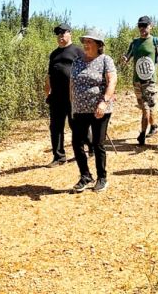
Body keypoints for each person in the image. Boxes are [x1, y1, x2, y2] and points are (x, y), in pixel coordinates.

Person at [70, 28, 117, 192]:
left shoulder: (105, 60)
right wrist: (72, 104)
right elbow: (72, 83)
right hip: (79, 110)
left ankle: (102, 177)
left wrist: (104, 102)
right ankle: (85, 176)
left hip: (100, 109)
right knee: (77, 143)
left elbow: (112, 81)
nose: (85, 44)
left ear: (99, 45)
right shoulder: (77, 61)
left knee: (97, 143)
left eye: (89, 41)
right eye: (84, 41)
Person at [44, 23, 92, 168]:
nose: (60, 36)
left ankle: (91, 147)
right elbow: (49, 75)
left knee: (77, 125)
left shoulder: (78, 51)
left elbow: (88, 71)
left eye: (63, 32)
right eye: (58, 33)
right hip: (56, 96)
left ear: (70, 33)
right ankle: (59, 157)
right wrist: (47, 91)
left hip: (73, 96)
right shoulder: (54, 54)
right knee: (55, 127)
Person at [122, 16, 158, 146]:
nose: (142, 28)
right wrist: (124, 59)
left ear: (150, 26)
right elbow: (127, 57)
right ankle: (153, 125)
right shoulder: (135, 43)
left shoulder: (155, 41)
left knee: (146, 107)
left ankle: (142, 134)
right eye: (140, 26)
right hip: (136, 81)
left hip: (149, 81)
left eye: (145, 26)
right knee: (145, 107)